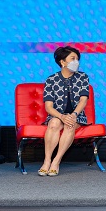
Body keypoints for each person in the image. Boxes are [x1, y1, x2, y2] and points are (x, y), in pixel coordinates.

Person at [39, 46, 90, 177]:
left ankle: (56, 161)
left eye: (78, 59)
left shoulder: (83, 77)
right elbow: (48, 107)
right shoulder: (51, 80)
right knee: (54, 124)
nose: (76, 62)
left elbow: (83, 101)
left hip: (76, 116)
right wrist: (62, 116)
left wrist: (73, 115)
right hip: (57, 115)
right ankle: (47, 160)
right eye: (73, 58)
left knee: (70, 124)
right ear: (63, 62)